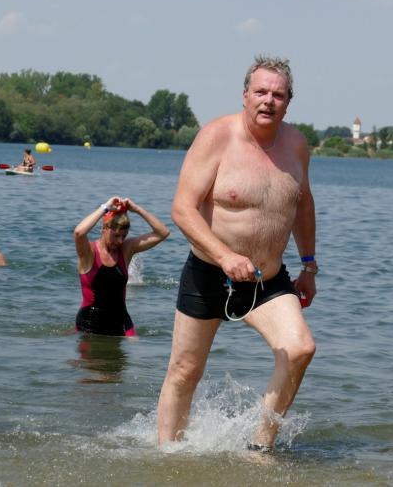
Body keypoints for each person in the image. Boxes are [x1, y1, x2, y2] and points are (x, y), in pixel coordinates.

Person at [156, 56, 318, 452]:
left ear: (288, 102)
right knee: (185, 371)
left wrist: (309, 265)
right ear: (245, 95)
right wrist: (225, 256)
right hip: (210, 273)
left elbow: (303, 204)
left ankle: (260, 448)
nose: (268, 101)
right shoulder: (216, 137)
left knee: (300, 349)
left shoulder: (297, 145)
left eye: (278, 95)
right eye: (260, 92)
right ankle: (166, 455)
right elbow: (182, 209)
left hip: (268, 279)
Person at [73, 196, 169, 337]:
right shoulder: (89, 253)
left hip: (121, 322)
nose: (120, 241)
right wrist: (105, 207)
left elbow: (163, 233)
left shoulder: (126, 249)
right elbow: (79, 232)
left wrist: (136, 209)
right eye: (116, 235)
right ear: (105, 228)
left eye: (124, 236)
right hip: (89, 325)